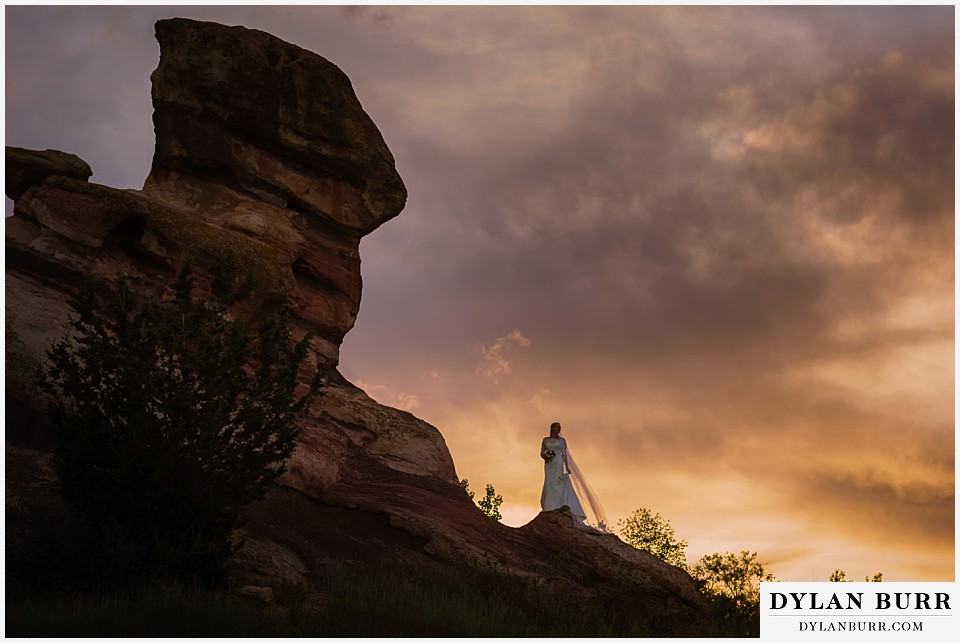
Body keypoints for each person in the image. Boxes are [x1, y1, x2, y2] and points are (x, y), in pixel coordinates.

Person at [539, 422, 608, 531]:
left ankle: (559, 504)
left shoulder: (562, 441)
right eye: (557, 427)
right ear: (552, 428)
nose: (559, 429)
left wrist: (567, 467)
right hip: (549, 463)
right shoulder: (545, 440)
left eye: (560, 427)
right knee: (549, 483)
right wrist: (546, 456)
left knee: (558, 480)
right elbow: (542, 452)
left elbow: (564, 455)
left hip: (557, 462)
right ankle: (549, 505)